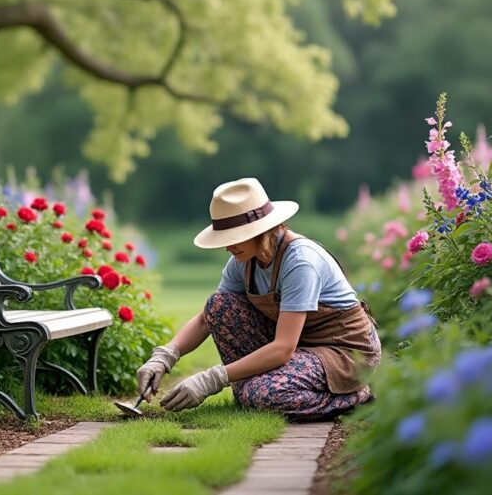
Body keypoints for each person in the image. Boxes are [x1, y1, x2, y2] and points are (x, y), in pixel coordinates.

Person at [137, 177, 381, 420]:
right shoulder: (243, 261)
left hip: (344, 352)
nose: (226, 247)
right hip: (303, 347)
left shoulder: (300, 261)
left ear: (259, 230)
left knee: (260, 395)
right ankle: (251, 391)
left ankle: (354, 395)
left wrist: (213, 378)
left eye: (233, 237)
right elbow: (205, 319)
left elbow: (284, 347)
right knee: (218, 305)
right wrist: (164, 356)